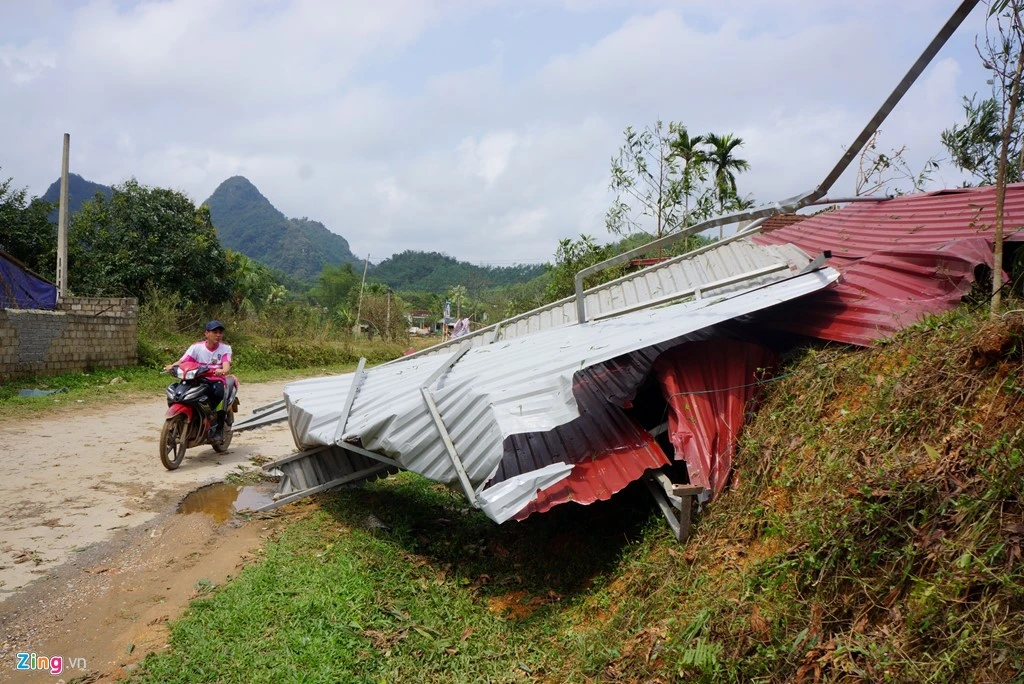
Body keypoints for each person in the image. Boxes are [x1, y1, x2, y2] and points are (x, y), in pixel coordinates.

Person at [164, 320, 233, 441]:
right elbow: (182, 361)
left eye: (220, 332)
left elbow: (226, 366)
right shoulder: (196, 347)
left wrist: (222, 370)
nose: (218, 335)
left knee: (219, 394)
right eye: (215, 332)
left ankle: (218, 427)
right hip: (196, 378)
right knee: (178, 392)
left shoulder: (225, 349)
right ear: (206, 333)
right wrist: (172, 366)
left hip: (215, 380)